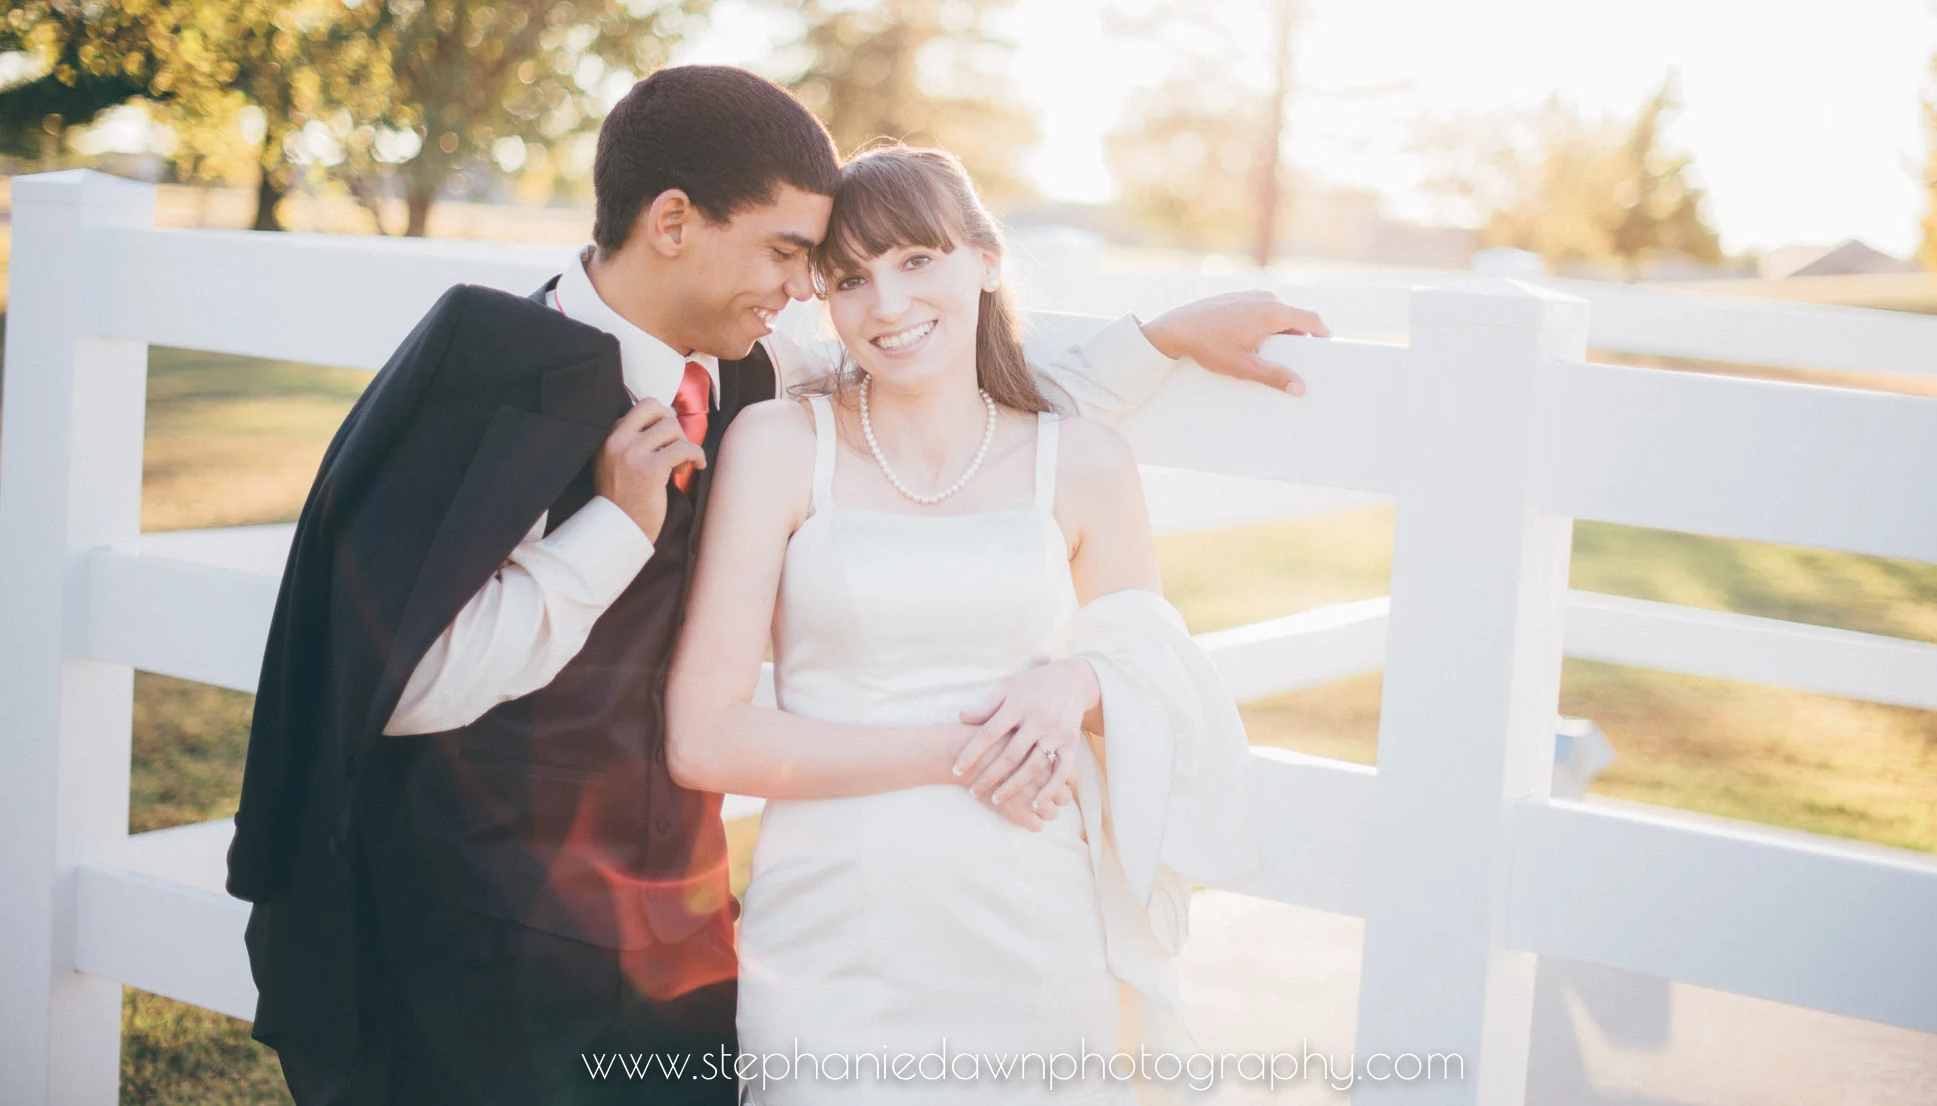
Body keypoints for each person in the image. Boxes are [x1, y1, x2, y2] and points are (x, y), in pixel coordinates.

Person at [226, 65, 1327, 1106]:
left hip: (672, 914)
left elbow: (953, 412)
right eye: (795, 254)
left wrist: (1163, 337)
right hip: (487, 908)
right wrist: (612, 525)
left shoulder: (751, 372)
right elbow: (407, 681)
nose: (808, 290)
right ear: (671, 223)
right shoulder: (490, 381)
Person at [665, 145, 1267, 1104]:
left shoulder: (1082, 463)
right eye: (850, 278)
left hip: (1031, 924)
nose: (887, 305)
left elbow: (1153, 673)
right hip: (832, 932)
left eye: (916, 260)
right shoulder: (781, 445)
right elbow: (705, 738)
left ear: (986, 260)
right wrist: (959, 750)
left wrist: (1076, 681)